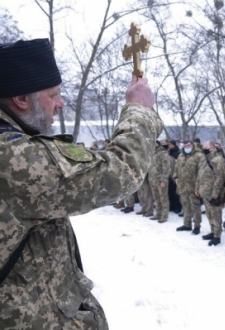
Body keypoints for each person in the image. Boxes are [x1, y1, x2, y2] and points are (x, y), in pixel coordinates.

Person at [0, 39, 162, 328]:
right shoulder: (12, 156)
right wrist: (139, 111)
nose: (60, 104)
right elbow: (121, 171)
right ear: (21, 100)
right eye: (54, 94)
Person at [196, 141, 225, 246]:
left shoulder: (218, 160)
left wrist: (216, 193)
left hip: (214, 193)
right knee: (209, 214)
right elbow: (199, 175)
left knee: (216, 214)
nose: (203, 148)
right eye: (203, 146)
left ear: (212, 147)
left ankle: (217, 236)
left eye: (205, 147)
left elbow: (220, 177)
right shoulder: (204, 159)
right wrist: (197, 187)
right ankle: (212, 231)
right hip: (205, 191)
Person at [174, 140, 203, 234]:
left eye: (189, 145)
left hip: (193, 186)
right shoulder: (180, 156)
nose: (187, 147)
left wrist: (198, 186)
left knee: (195, 207)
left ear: (193, 146)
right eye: (185, 146)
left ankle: (197, 226)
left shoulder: (198, 156)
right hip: (182, 186)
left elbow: (201, 172)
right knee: (185, 206)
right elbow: (176, 168)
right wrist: (176, 177)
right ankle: (187, 224)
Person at [148, 140, 173, 222]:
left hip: (160, 180)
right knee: (156, 198)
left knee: (163, 198)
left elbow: (166, 168)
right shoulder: (152, 154)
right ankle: (158, 213)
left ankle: (164, 215)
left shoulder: (163, 153)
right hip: (153, 179)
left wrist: (164, 180)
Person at [168, 139, 182, 213]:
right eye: (169, 144)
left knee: (176, 193)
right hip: (169, 174)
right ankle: (172, 206)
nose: (169, 145)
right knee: (170, 192)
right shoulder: (169, 152)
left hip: (175, 174)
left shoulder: (178, 153)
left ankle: (177, 207)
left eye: (171, 144)